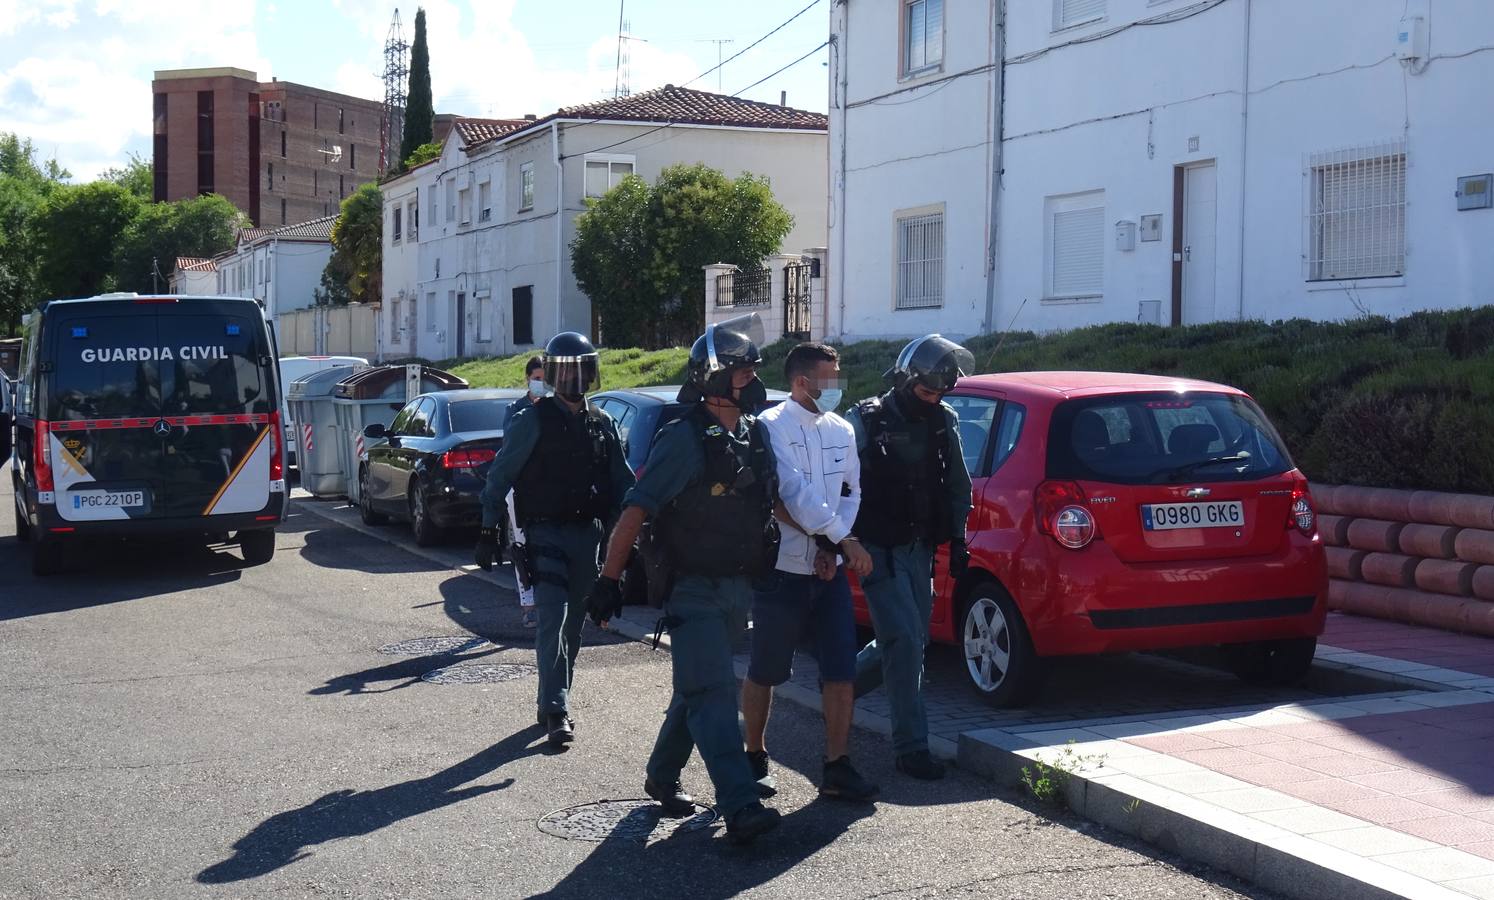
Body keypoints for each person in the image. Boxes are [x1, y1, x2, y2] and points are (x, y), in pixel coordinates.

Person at [586, 313, 782, 845]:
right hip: (692, 589)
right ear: (715, 380)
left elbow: (774, 504)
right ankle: (739, 802)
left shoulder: (752, 435)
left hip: (737, 588)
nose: (753, 383)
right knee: (714, 692)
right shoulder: (683, 439)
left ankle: (661, 776)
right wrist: (608, 579)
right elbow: (635, 510)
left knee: (695, 689)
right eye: (743, 374)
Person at [475, 334, 634, 747]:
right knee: (552, 619)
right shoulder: (532, 420)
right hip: (545, 532)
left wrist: (635, 536)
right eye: (567, 370)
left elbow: (625, 486)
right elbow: (501, 473)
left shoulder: (603, 424)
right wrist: (489, 527)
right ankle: (557, 710)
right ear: (554, 374)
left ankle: (551, 700)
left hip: (589, 537)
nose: (574, 379)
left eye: (582, 370)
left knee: (575, 627)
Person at [741, 342, 879, 803]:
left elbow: (851, 491)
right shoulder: (770, 426)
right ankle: (754, 756)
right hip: (782, 570)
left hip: (828, 571)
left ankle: (837, 765)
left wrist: (833, 547)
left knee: (841, 670)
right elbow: (788, 494)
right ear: (802, 381)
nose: (838, 385)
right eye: (830, 377)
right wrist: (839, 540)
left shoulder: (841, 429)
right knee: (767, 669)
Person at [848, 335, 974, 781]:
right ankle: (911, 748)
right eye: (926, 392)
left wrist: (958, 540)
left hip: (919, 549)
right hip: (874, 548)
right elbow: (839, 482)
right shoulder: (865, 420)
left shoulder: (945, 421)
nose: (933, 400)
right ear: (904, 381)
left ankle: (837, 691)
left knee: (909, 641)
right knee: (902, 640)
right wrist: (843, 541)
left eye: (941, 393)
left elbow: (959, 485)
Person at [503, 356, 546, 628]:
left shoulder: (554, 407)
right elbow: (510, 446)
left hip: (547, 488)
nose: (542, 384)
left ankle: (550, 601)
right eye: (538, 379)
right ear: (528, 379)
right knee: (521, 546)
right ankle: (528, 603)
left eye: (545, 379)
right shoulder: (515, 409)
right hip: (519, 489)